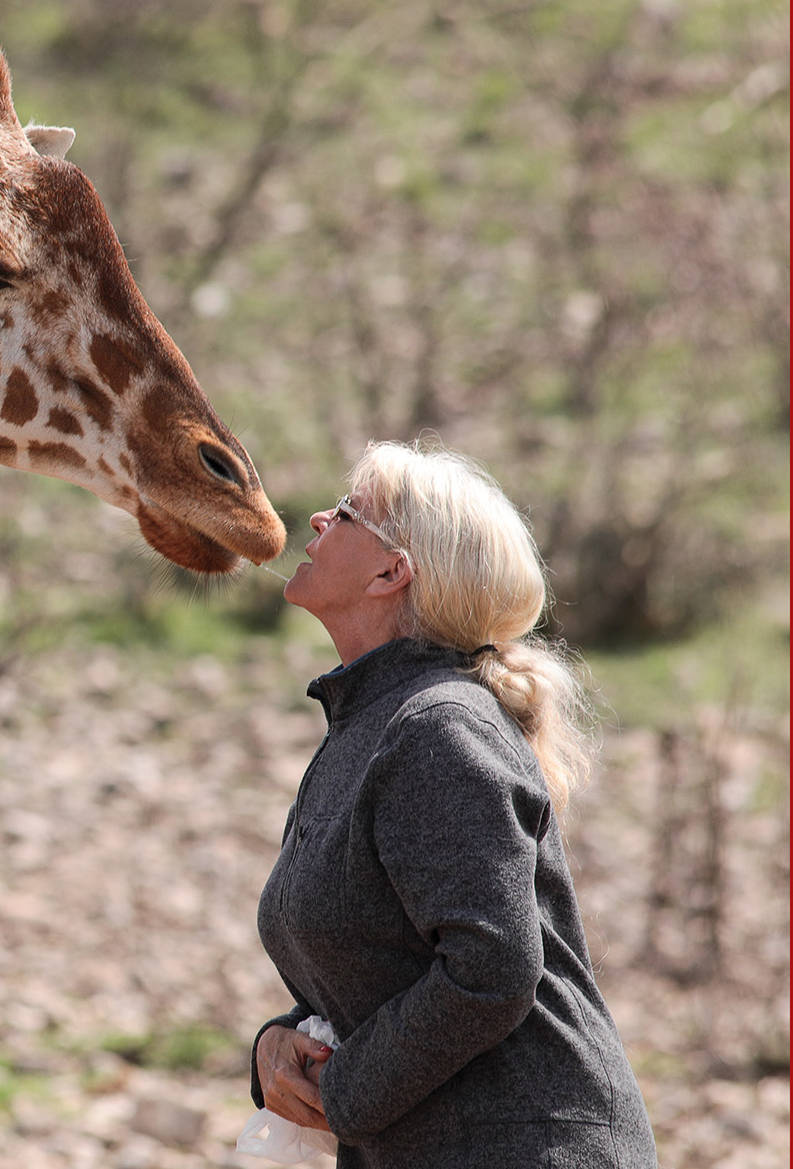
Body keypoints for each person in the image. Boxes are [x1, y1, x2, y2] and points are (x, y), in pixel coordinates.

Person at [249, 440, 659, 1167]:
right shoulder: (369, 722)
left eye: (345, 513)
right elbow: (377, 964)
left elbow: (493, 965)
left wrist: (342, 1091)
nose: (315, 519)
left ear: (391, 571)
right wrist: (280, 1046)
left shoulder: (437, 727)